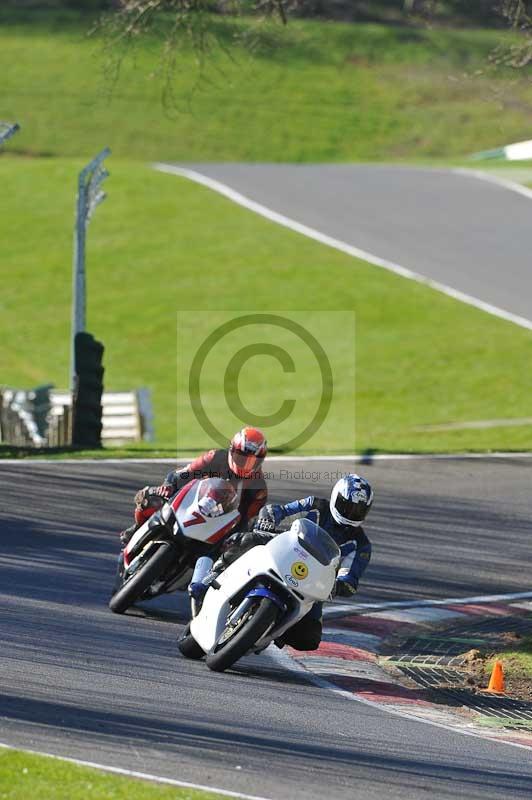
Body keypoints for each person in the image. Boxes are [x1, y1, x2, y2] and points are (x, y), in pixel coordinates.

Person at [194, 474, 373, 651]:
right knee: (248, 540)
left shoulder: (361, 544)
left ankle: (270, 628)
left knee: (309, 640)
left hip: (313, 581)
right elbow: (280, 511)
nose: (350, 513)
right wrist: (268, 519)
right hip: (285, 551)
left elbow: (350, 576)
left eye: (358, 511)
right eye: (346, 505)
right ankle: (211, 576)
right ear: (335, 497)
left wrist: (341, 585)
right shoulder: (315, 505)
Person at [119, 427, 268, 545]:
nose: (245, 464)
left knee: (238, 547)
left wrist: (236, 536)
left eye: (252, 461)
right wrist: (167, 486)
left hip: (218, 529)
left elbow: (247, 522)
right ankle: (138, 529)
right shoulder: (215, 458)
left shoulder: (258, 488)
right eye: (241, 458)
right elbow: (181, 474)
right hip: (190, 504)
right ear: (231, 450)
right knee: (150, 499)